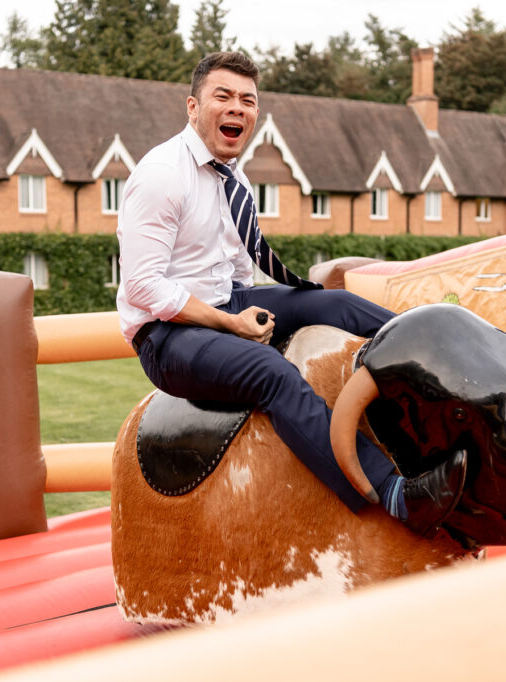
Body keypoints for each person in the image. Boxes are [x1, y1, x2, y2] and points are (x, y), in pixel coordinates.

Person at [116, 51, 467, 535]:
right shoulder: (161, 176)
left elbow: (239, 269)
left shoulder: (234, 177)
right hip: (166, 335)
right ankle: (392, 492)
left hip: (226, 299)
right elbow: (142, 285)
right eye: (223, 96)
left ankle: (455, 349)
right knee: (271, 373)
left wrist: (250, 309)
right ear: (193, 107)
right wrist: (231, 326)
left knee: (335, 304)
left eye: (248, 100)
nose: (237, 108)